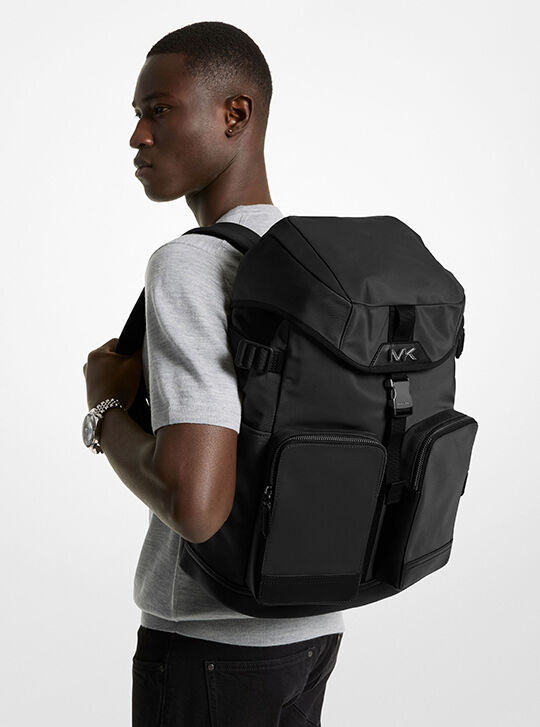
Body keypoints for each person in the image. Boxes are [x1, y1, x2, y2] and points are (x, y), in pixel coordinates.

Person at [85, 21, 344, 727]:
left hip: (208, 643)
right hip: (311, 631)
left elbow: (195, 504)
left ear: (235, 114)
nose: (137, 136)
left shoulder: (190, 263)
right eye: (137, 114)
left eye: (159, 110)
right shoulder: (306, 258)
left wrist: (104, 411)